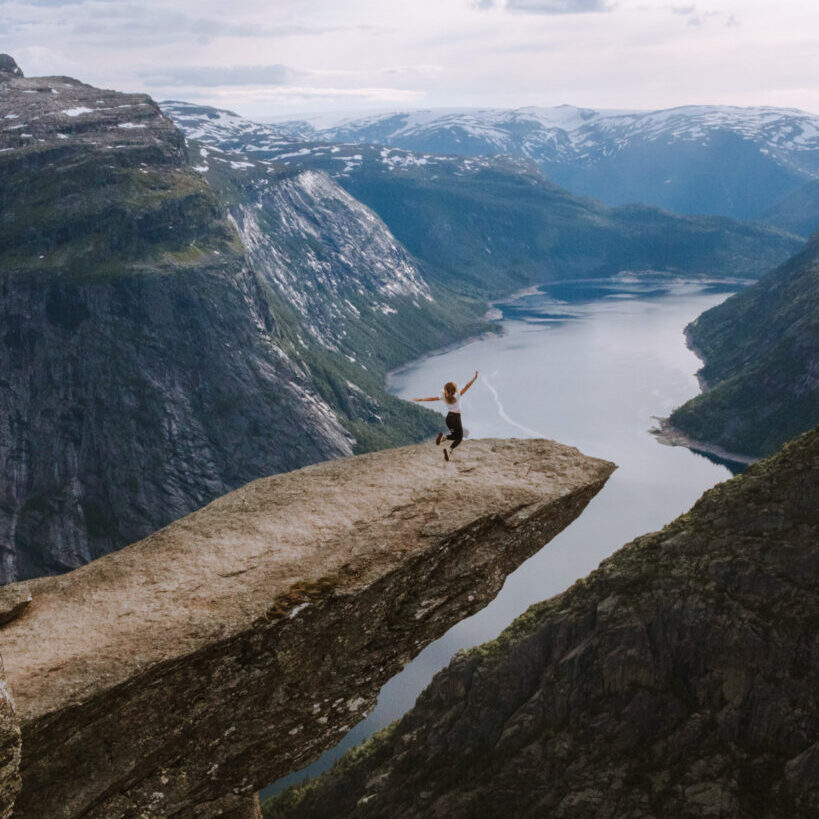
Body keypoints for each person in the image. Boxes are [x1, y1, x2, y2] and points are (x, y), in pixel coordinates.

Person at [413, 370, 478, 461]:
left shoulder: (444, 397)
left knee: (455, 436)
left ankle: (444, 438)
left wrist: (420, 400)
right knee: (459, 438)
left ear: (446, 390)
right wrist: (474, 378)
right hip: (456, 418)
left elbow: (432, 399)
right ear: (455, 390)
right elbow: (467, 386)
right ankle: (449, 450)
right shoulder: (458, 395)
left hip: (448, 419)